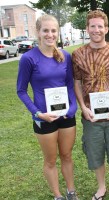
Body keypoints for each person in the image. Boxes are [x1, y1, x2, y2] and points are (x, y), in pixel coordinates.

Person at [16, 14, 78, 200]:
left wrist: (73, 108)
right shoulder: (28, 58)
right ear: (38, 32)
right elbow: (21, 90)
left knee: (66, 156)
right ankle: (58, 196)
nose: (50, 34)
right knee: (51, 160)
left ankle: (71, 192)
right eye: (46, 30)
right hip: (44, 118)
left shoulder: (64, 56)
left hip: (66, 117)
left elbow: (70, 84)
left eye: (53, 31)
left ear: (57, 33)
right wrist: (37, 113)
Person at [72, 10, 109, 200]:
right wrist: (83, 107)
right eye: (92, 26)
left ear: (106, 28)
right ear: (87, 28)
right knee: (95, 152)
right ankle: (102, 187)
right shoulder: (78, 54)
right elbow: (77, 82)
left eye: (100, 26)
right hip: (91, 115)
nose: (96, 30)